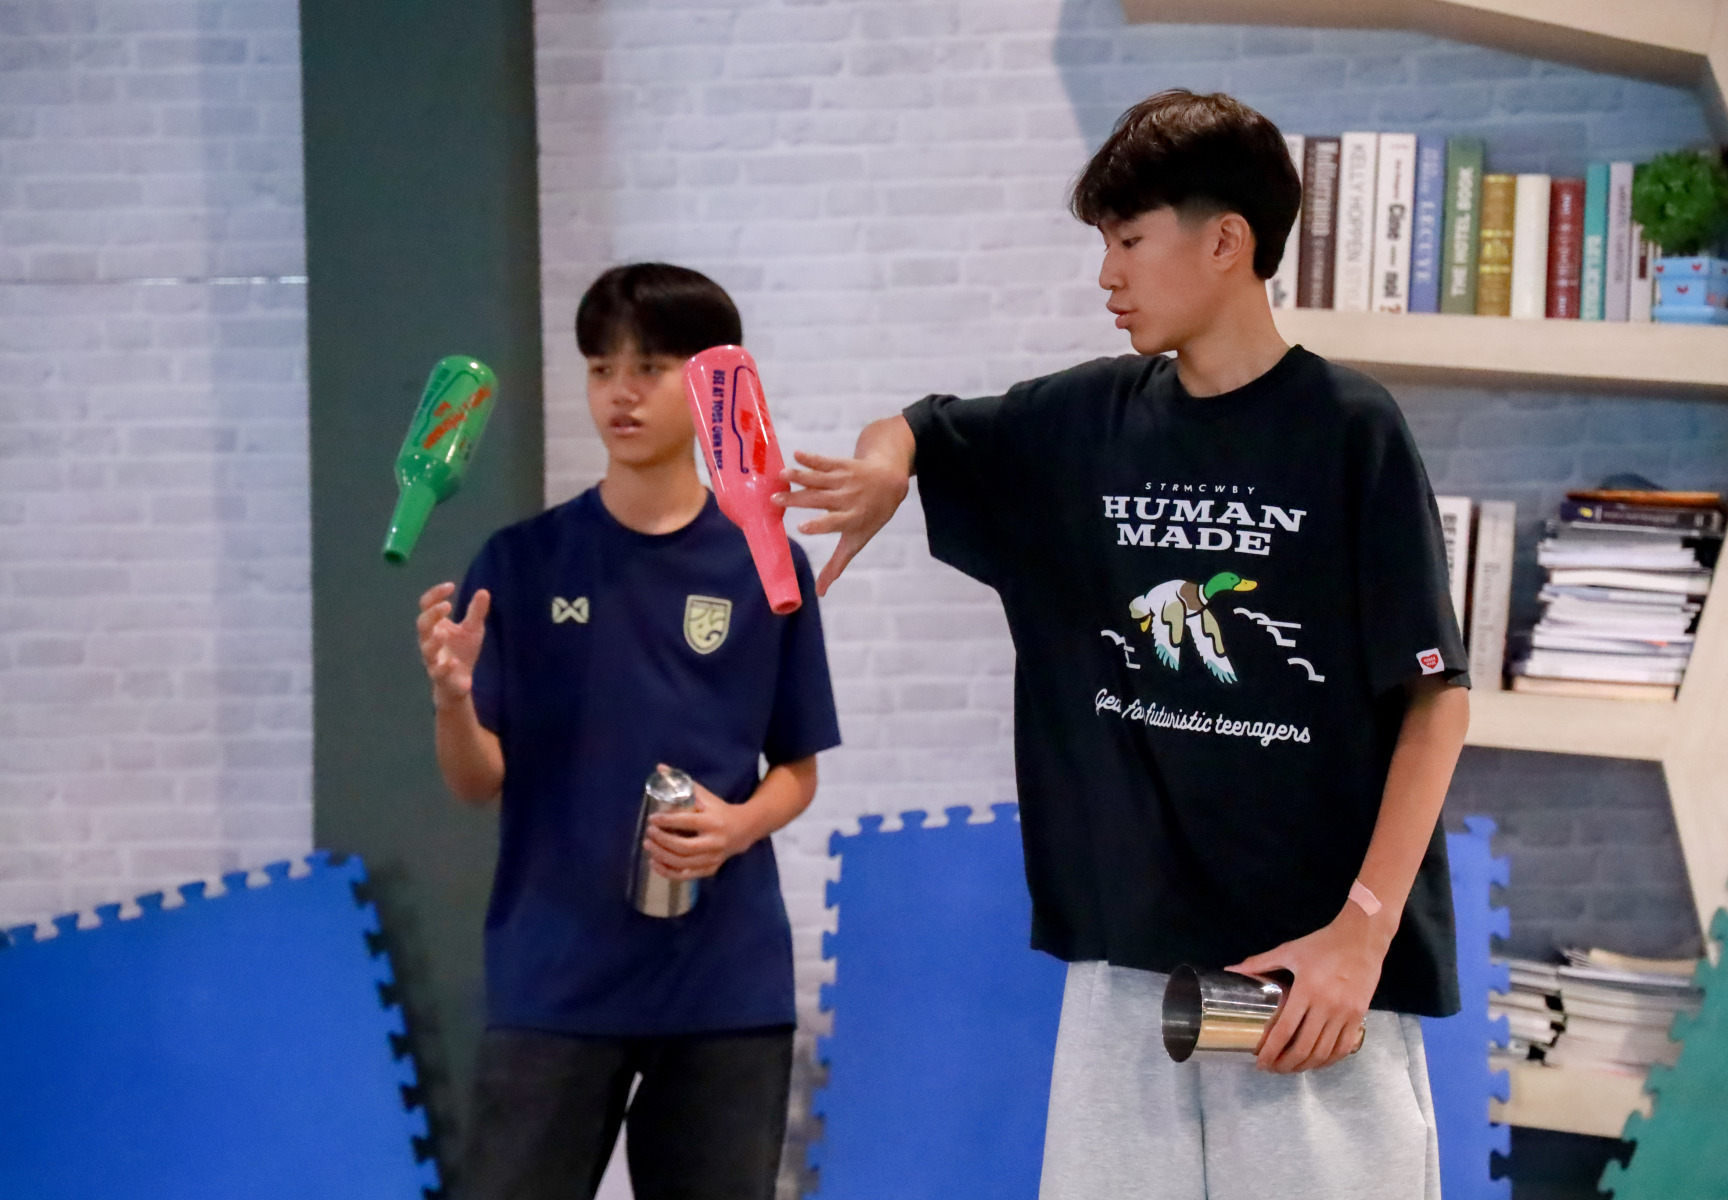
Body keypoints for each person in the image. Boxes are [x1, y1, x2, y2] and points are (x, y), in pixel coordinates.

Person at [780, 91, 1470, 1200]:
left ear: (1226, 241)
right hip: (1123, 970)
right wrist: (881, 474)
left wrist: (1363, 932)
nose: (1107, 274)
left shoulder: (1351, 431)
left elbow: (1437, 698)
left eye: (1130, 241)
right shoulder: (1083, 421)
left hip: (1312, 975)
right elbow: (921, 427)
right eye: (1104, 243)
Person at [415, 263, 840, 1200]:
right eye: (601, 368)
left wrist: (737, 825)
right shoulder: (520, 562)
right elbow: (476, 780)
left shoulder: (766, 564)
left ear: (715, 381)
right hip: (553, 978)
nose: (620, 392)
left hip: (724, 985)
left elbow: (797, 769)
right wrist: (451, 698)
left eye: (649, 366)